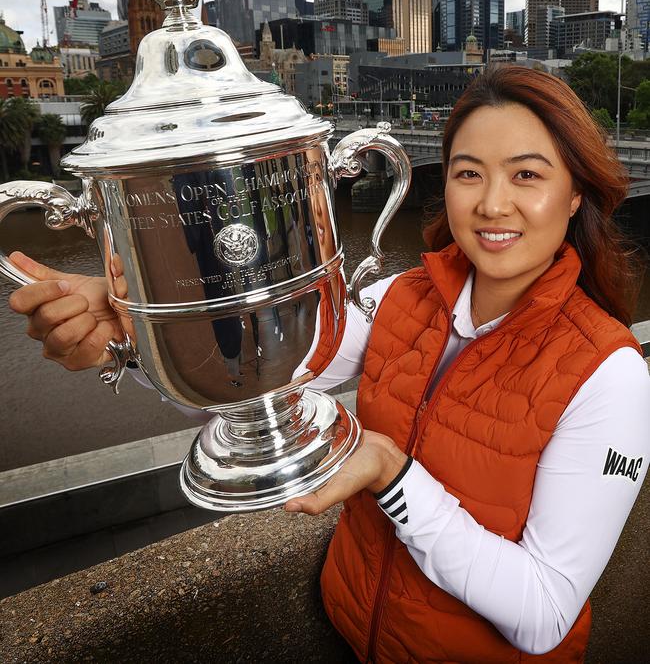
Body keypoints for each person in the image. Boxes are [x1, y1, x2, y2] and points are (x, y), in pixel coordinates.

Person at [7, 67, 650, 663]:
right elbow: (255, 377)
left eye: (528, 176)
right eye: (468, 173)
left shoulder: (611, 376)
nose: (492, 204)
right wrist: (133, 325)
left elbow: (545, 612)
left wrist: (391, 476)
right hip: (349, 631)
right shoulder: (399, 298)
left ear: (574, 196)